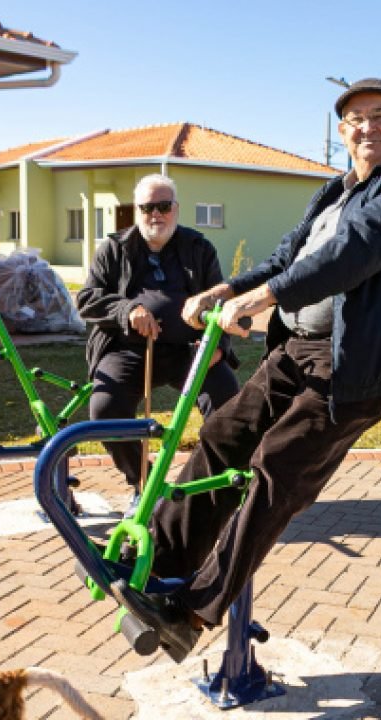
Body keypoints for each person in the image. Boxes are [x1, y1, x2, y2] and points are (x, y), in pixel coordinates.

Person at [112, 78, 381, 661]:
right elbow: (287, 255)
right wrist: (227, 288)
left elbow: (358, 252)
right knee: (222, 434)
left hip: (364, 360)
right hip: (298, 347)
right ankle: (155, 566)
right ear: (342, 133)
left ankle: (192, 612)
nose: (366, 126)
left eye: (380, 115)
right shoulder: (333, 193)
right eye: (354, 119)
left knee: (278, 465)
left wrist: (260, 298)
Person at [75, 174, 240, 512]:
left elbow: (220, 300)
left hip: (189, 351)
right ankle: (144, 485)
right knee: (104, 409)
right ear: (136, 210)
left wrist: (218, 347)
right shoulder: (114, 249)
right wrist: (127, 310)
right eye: (148, 207)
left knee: (228, 400)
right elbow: (87, 299)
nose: (156, 214)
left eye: (164, 206)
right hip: (128, 349)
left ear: (176, 209)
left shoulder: (199, 248)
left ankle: (219, 485)